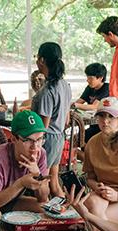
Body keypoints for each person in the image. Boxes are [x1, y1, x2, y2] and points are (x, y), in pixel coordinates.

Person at [0, 111, 51, 228]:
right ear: (13, 139)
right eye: (28, 140)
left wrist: (37, 174)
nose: (35, 147)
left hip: (12, 201)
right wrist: (21, 183)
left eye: (39, 139)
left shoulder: (41, 154)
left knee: (46, 208)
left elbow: (43, 198)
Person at [81, 97, 118, 231]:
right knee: (92, 205)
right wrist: (99, 187)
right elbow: (90, 178)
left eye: (111, 117)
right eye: (101, 116)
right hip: (103, 193)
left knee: (96, 214)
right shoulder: (93, 143)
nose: (105, 121)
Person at [32, 42, 72, 197]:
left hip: (47, 140)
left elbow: (42, 126)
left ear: (42, 60)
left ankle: (46, 218)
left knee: (42, 186)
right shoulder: (64, 84)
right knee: (55, 185)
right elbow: (67, 119)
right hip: (59, 138)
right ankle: (62, 217)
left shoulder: (48, 91)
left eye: (37, 57)